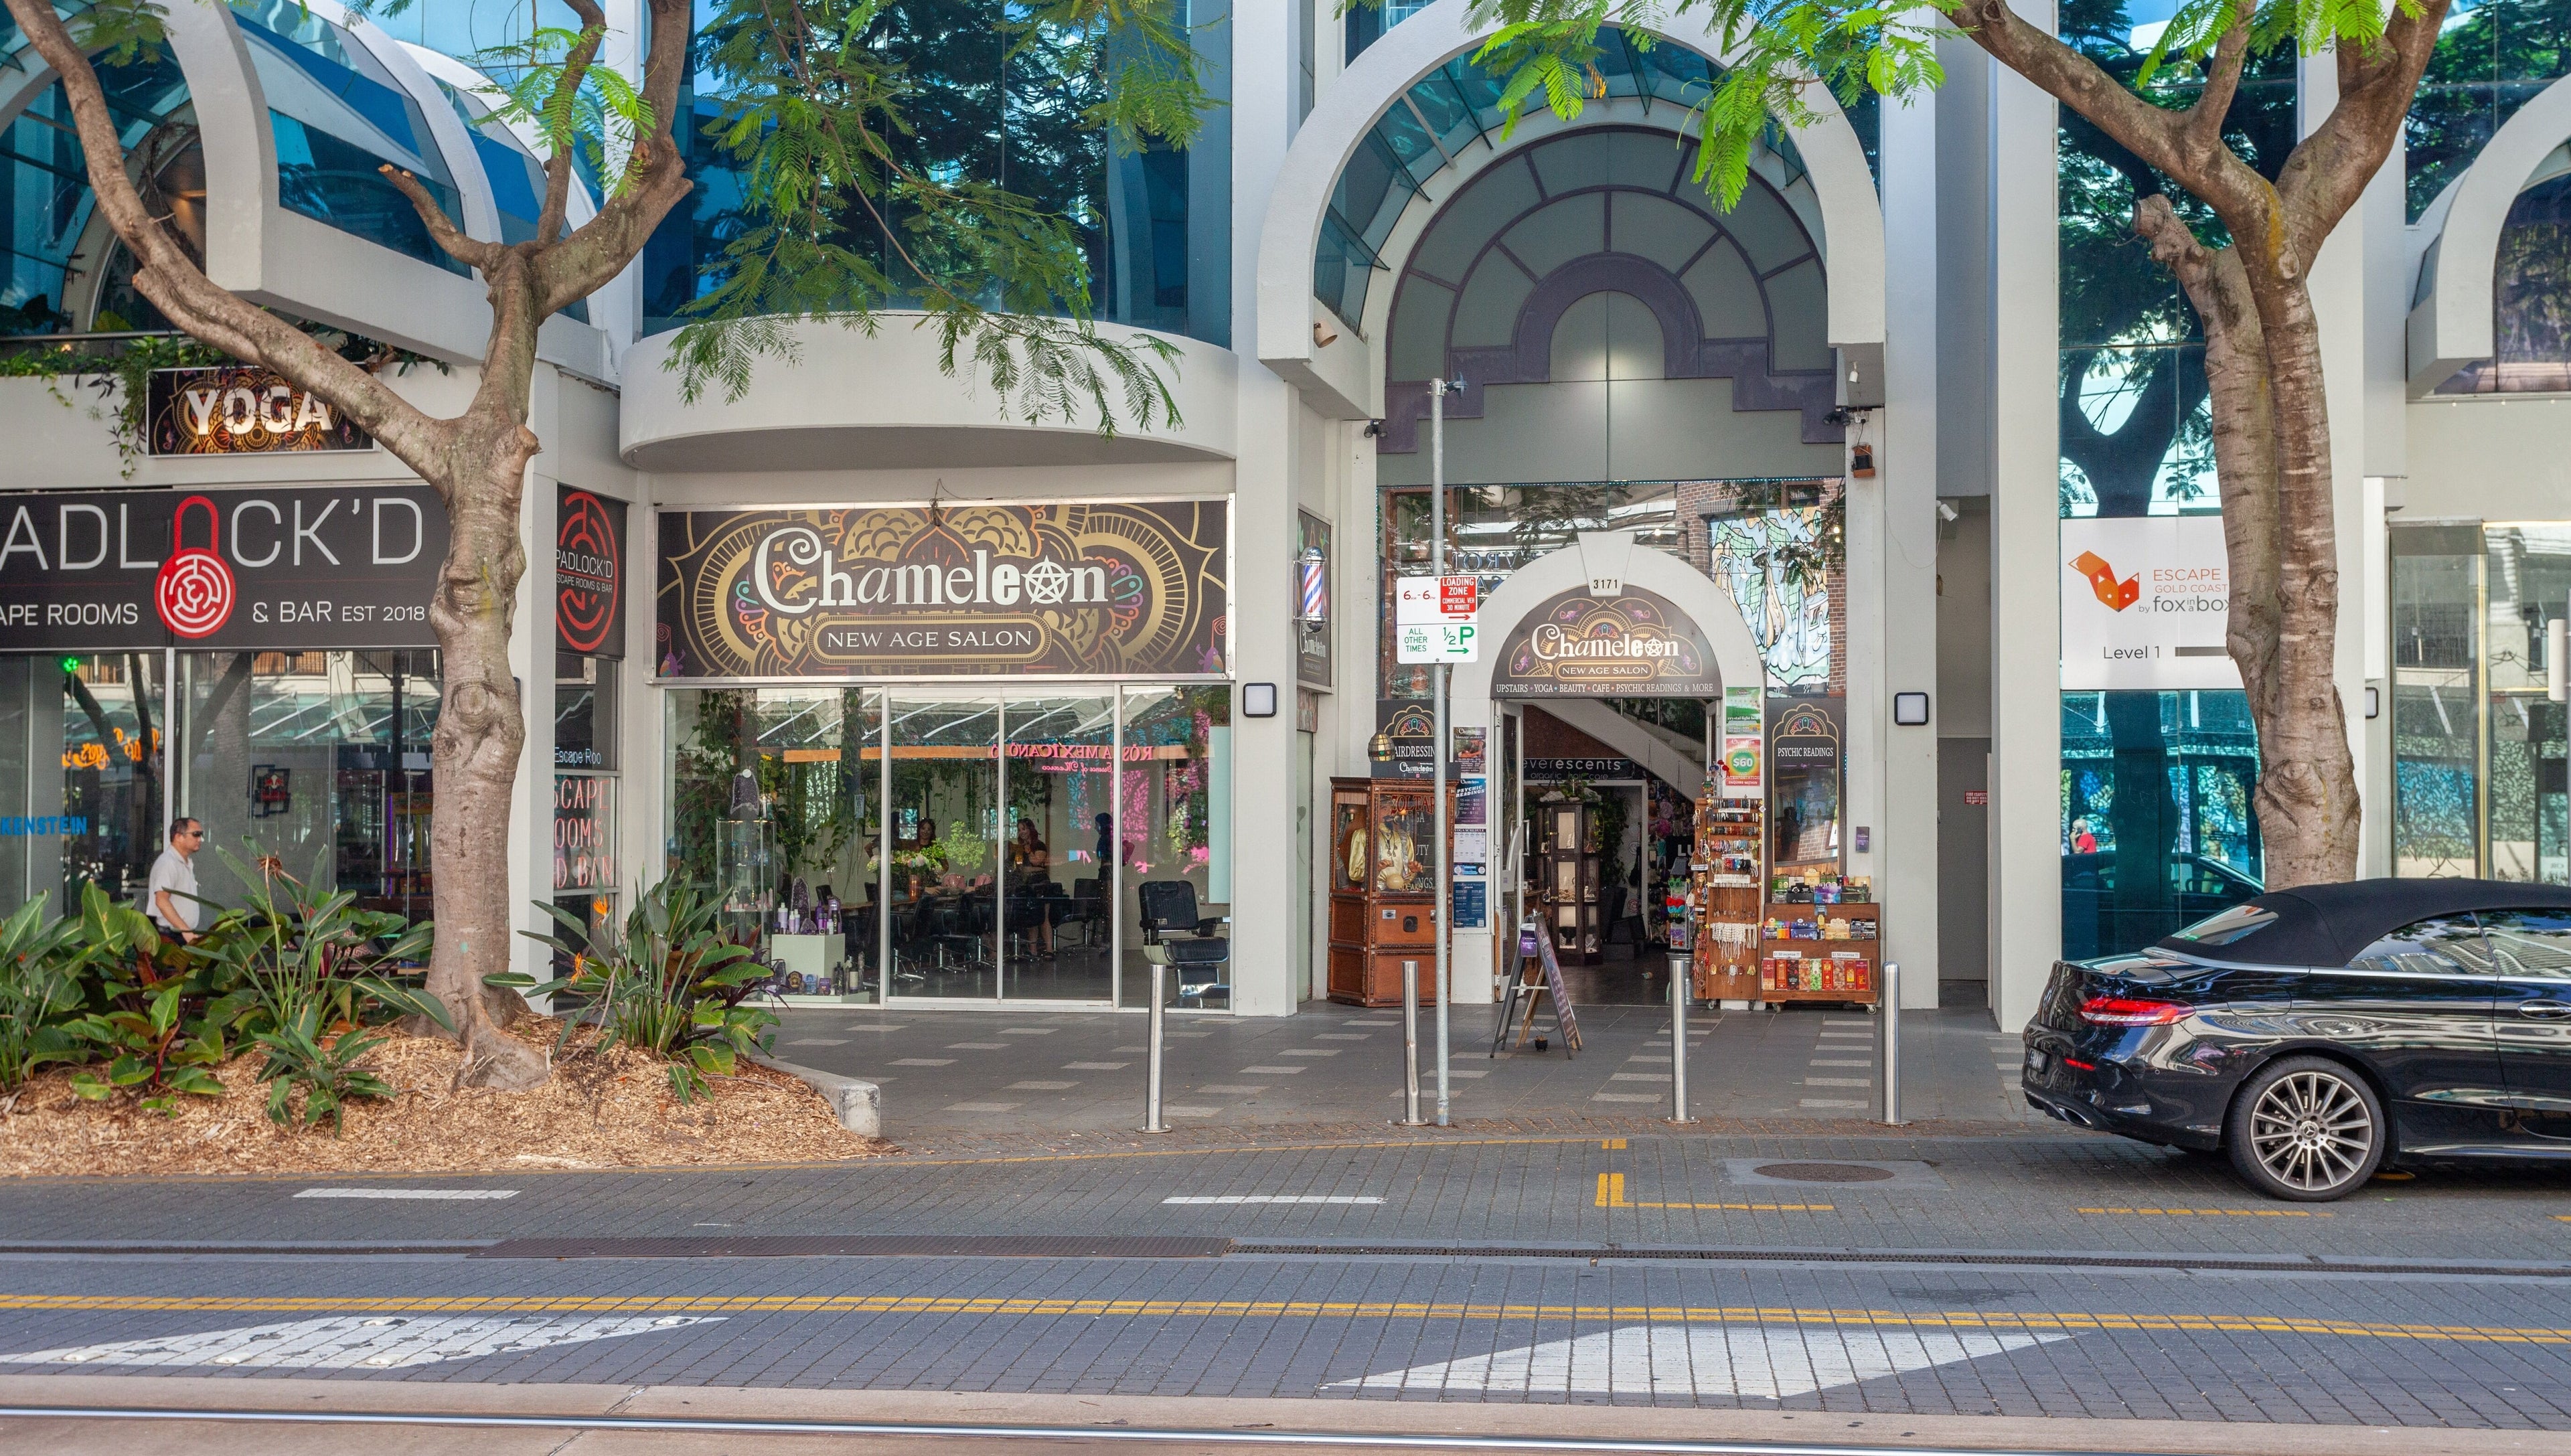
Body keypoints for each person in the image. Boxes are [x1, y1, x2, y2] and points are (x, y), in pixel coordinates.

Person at [145, 817, 206, 943]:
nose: (200, 839)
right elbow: (161, 900)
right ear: (178, 836)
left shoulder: (184, 862)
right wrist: (186, 931)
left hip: (181, 934)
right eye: (196, 834)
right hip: (172, 936)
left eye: (201, 835)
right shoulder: (168, 863)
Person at [1012, 820, 1055, 957]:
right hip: (1027, 885)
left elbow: (1038, 862)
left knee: (1044, 918)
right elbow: (1018, 867)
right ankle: (1033, 951)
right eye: (1019, 830)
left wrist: (1028, 850)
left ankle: (1049, 949)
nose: (1021, 832)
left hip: (1040, 883)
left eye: (1023, 829)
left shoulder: (1039, 845)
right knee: (1032, 919)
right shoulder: (1019, 849)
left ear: (1030, 829)